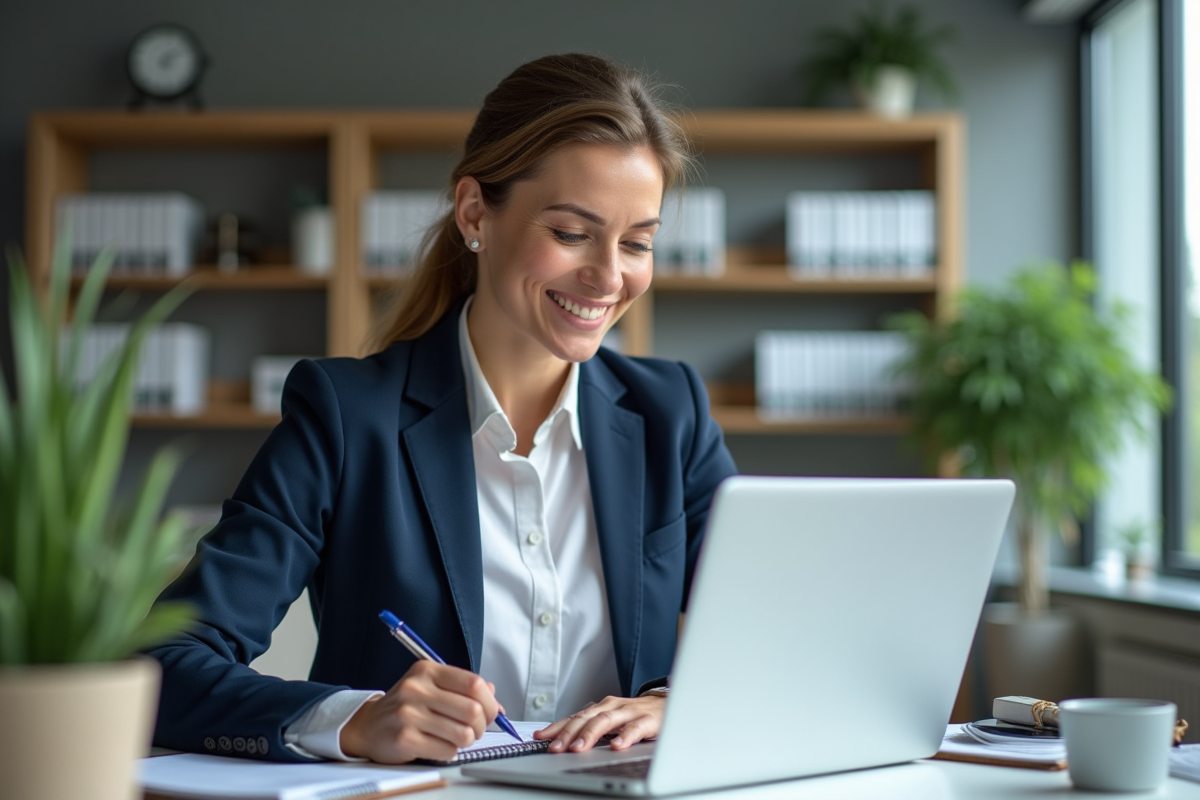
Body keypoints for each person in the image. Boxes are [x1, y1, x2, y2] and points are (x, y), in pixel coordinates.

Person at [148, 52, 737, 765]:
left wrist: (676, 704)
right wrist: (356, 718)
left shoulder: (669, 411)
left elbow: (783, 638)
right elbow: (165, 665)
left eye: (638, 242)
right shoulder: (345, 416)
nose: (610, 276)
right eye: (571, 233)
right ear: (473, 213)